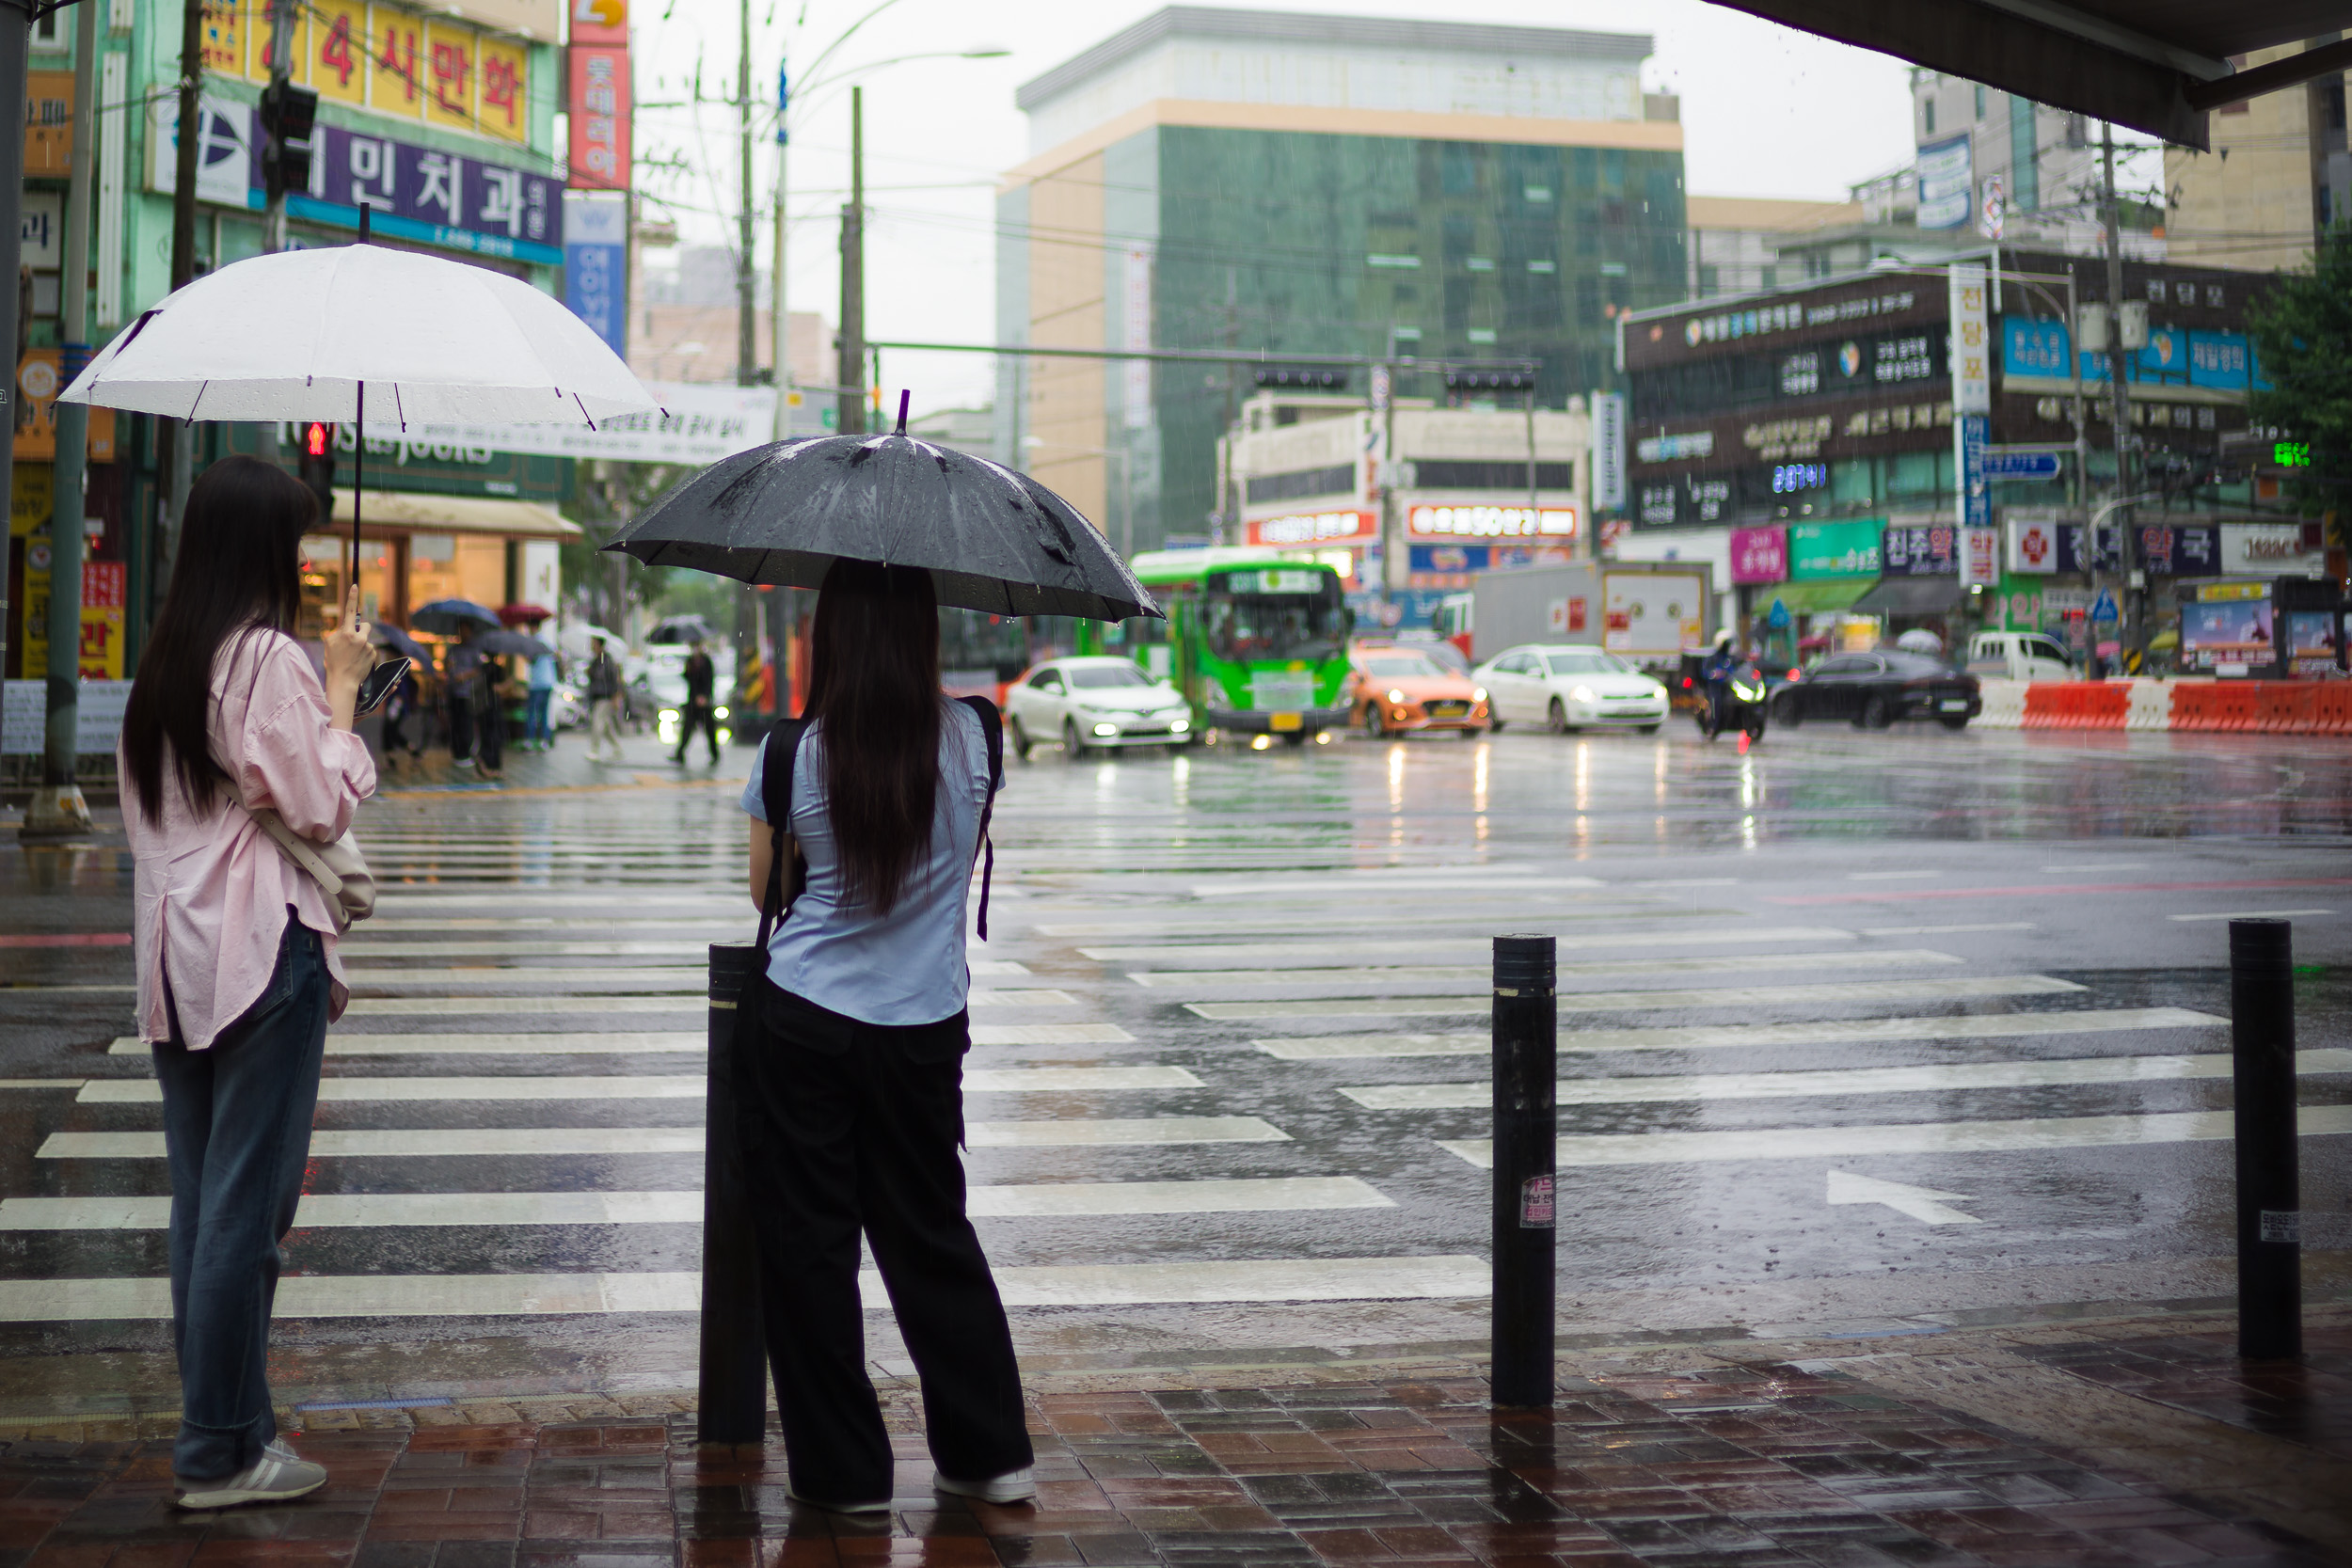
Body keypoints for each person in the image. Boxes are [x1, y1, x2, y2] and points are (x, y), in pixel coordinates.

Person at [735, 560, 1030, 1513]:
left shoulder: (792, 752)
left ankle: (844, 1473)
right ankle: (989, 1453)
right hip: (925, 1026)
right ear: (922, 632)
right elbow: (961, 856)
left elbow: (767, 895)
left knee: (810, 1245)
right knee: (929, 1231)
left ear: (831, 636)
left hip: (807, 1024)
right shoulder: (979, 732)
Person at [117, 456, 377, 1510]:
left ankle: (234, 1430)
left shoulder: (165, 661)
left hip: (179, 960)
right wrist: (348, 690)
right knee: (245, 1214)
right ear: (262, 548)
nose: (307, 561)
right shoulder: (267, 657)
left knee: (203, 1206)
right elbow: (321, 803)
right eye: (297, 542)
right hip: (262, 951)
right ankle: (218, 1449)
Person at [673, 636, 722, 765]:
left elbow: (710, 680)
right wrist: (687, 671)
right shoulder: (690, 662)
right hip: (693, 701)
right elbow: (688, 679)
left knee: (709, 730)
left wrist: (705, 696)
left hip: (704, 702)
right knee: (687, 728)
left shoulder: (706, 661)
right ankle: (679, 753)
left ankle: (715, 754)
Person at [586, 642, 624, 762]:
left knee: (597, 722)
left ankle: (594, 750)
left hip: (606, 696)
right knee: (606, 726)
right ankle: (618, 749)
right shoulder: (595, 662)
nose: (592, 646)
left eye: (594, 644)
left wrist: (616, 697)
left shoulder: (608, 662)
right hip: (596, 696)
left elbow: (615, 680)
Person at [524, 648, 558, 750]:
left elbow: (531, 660)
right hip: (548, 683)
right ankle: (544, 740)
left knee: (532, 713)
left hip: (537, 684)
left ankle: (529, 740)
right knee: (544, 714)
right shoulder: (545, 644)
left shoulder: (532, 645)